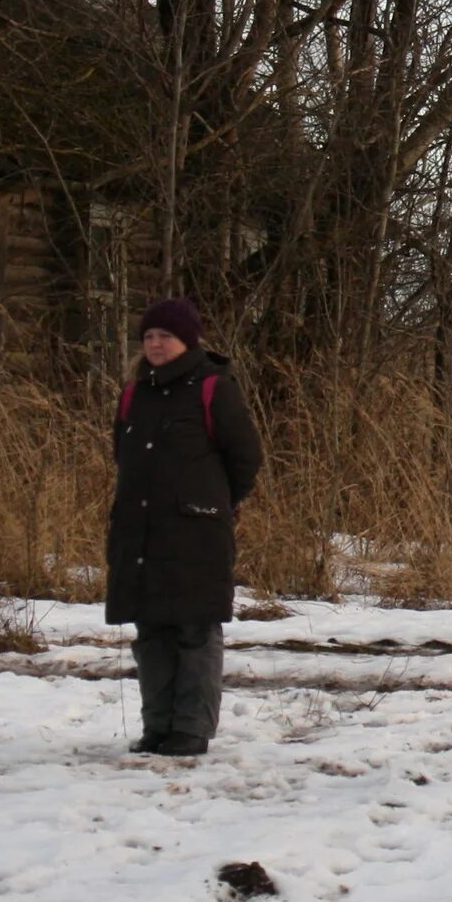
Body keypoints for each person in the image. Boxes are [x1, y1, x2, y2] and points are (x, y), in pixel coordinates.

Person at [106, 298, 263, 757]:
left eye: (165, 337)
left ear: (187, 341)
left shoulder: (215, 389)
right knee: (151, 631)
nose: (155, 344)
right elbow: (124, 457)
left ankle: (191, 730)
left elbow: (246, 458)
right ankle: (158, 727)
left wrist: (216, 504)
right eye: (149, 336)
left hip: (196, 532)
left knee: (194, 630)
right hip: (139, 531)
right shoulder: (135, 394)